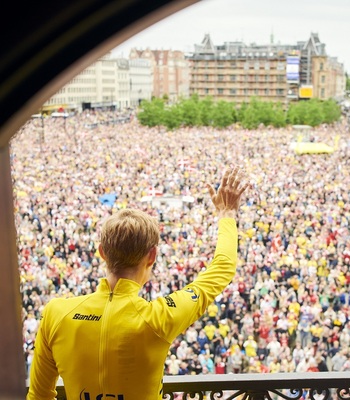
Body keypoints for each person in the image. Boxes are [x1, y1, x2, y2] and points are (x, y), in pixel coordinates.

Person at [27, 166, 249, 400]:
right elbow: (223, 267)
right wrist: (226, 214)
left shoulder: (55, 313)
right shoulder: (160, 317)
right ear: (152, 256)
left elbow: (39, 395)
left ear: (102, 253)